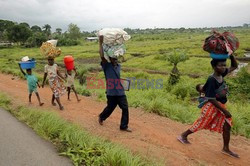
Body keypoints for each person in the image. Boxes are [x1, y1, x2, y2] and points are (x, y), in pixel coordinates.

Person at [178, 54, 239, 158]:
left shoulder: (221, 74)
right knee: (201, 123)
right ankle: (183, 135)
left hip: (221, 105)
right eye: (221, 65)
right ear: (214, 67)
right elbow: (210, 98)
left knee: (227, 126)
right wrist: (224, 111)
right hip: (212, 106)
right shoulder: (212, 79)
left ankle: (226, 148)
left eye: (224, 65)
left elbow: (234, 66)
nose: (224, 67)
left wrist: (231, 55)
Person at [98, 35, 131, 132]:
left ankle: (123, 126)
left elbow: (121, 56)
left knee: (125, 108)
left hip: (120, 92)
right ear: (110, 59)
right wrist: (100, 43)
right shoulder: (106, 66)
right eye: (113, 58)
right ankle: (101, 117)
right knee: (110, 108)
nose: (115, 60)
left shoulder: (118, 66)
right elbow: (101, 56)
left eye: (116, 59)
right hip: (111, 92)